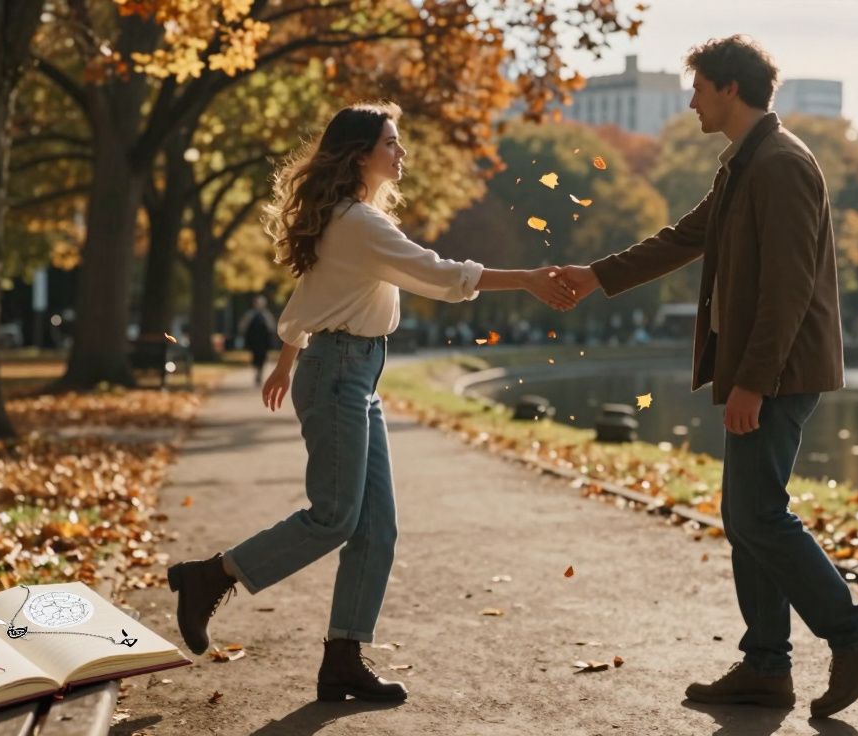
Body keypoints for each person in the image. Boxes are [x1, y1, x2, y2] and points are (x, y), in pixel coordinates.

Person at [166, 102, 575, 703]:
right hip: (339, 374)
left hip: (351, 374)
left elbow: (313, 294)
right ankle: (211, 577)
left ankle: (343, 660)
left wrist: (286, 359)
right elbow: (437, 274)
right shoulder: (357, 222)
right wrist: (529, 278)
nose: (401, 152)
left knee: (376, 528)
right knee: (335, 516)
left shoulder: (352, 220)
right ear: (361, 154)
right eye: (391, 143)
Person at [558, 35, 858, 719]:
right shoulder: (744, 164)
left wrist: (753, 381)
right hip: (760, 368)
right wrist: (597, 277)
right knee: (747, 515)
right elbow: (686, 238)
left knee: (757, 514)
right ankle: (766, 667)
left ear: (730, 90)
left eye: (699, 89)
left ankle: (854, 639)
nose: (691, 102)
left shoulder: (780, 165)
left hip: (776, 372)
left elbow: (789, 289)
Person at [237, 295, 276, 385]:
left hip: (264, 342)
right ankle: (257, 372)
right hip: (254, 341)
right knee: (255, 357)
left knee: (262, 358)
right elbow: (242, 327)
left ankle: (260, 373)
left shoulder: (266, 315)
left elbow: (272, 328)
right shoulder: (250, 315)